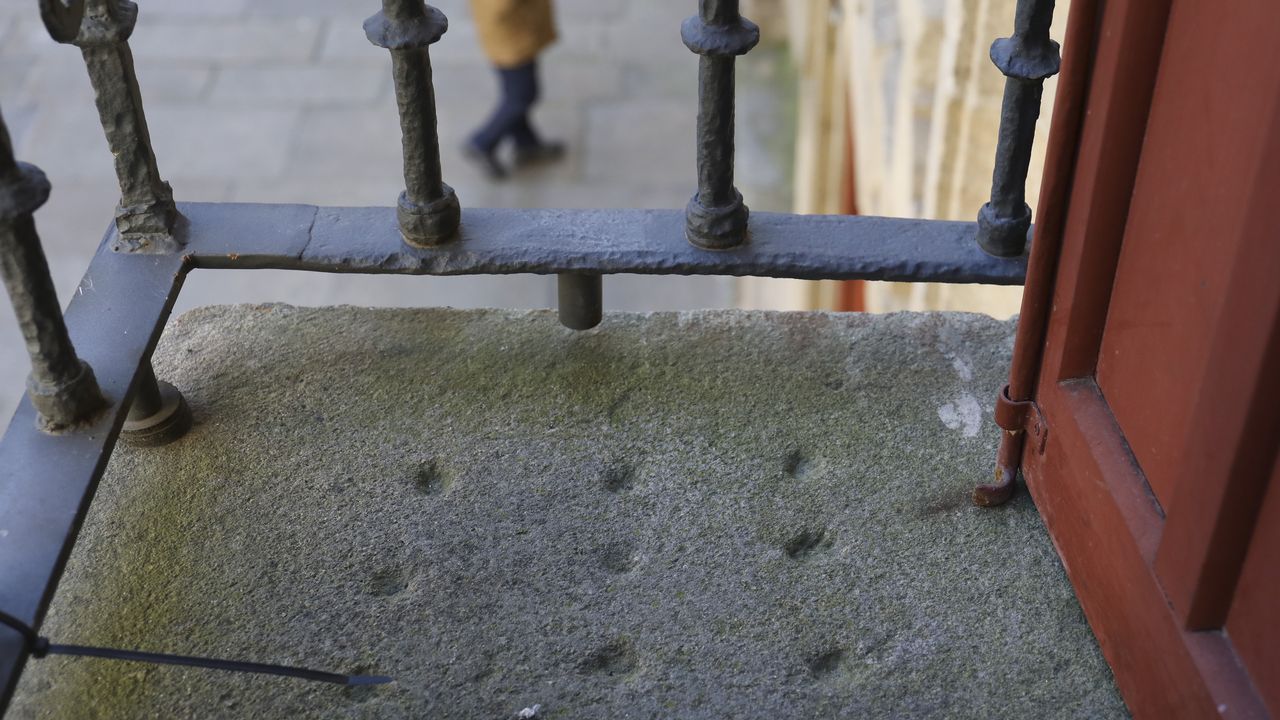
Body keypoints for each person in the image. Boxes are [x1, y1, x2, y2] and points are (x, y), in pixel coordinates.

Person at [465, 0, 566, 179]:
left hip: (511, 31)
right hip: (510, 36)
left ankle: (526, 145)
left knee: (516, 93)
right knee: (522, 97)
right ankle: (483, 142)